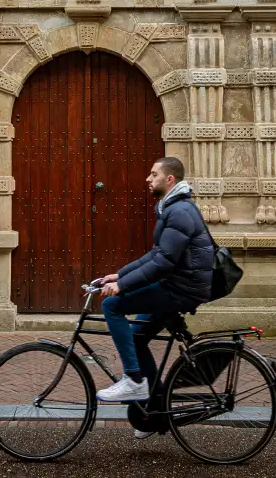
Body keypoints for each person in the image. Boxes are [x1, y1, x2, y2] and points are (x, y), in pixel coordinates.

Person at [95, 156, 214, 411]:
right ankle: (155, 409)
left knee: (112, 306)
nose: (148, 179)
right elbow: (156, 254)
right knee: (137, 338)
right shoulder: (172, 208)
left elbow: (163, 262)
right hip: (179, 285)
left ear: (169, 179)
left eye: (154, 174)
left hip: (181, 289)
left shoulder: (179, 212)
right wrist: (120, 275)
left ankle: (134, 380)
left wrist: (123, 286)